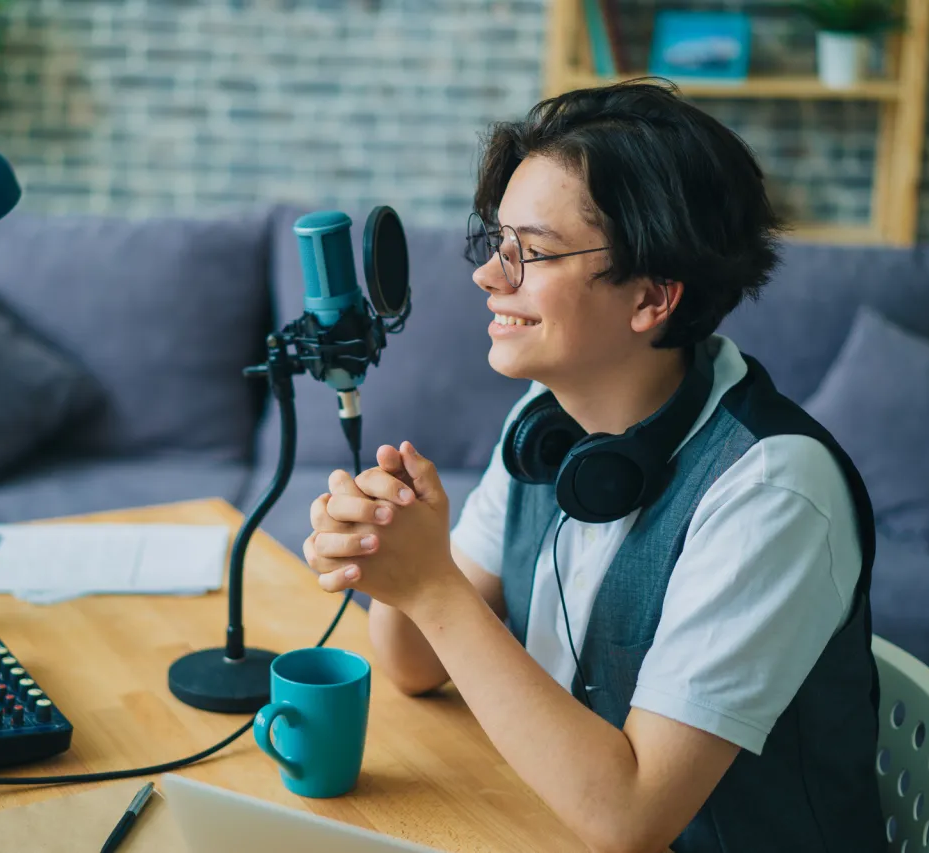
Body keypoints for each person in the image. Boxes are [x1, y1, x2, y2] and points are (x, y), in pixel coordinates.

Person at [302, 80, 884, 853]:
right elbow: (412, 666)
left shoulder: (772, 492)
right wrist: (398, 556)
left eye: (532, 253)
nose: (488, 277)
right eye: (496, 244)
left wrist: (434, 589)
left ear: (651, 297)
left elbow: (631, 816)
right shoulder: (546, 424)